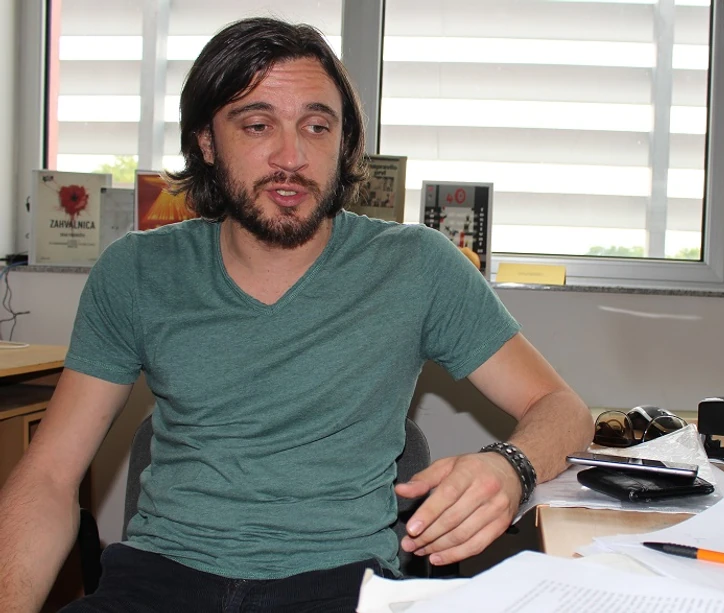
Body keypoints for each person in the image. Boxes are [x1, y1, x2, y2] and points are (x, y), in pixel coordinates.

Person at [0, 16, 593, 613]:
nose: (293, 156)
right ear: (206, 141)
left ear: (344, 142)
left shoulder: (416, 265)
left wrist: (511, 467)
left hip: (337, 584)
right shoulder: (137, 271)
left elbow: (563, 409)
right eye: (258, 125)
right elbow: (49, 477)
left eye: (317, 126)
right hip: (157, 581)